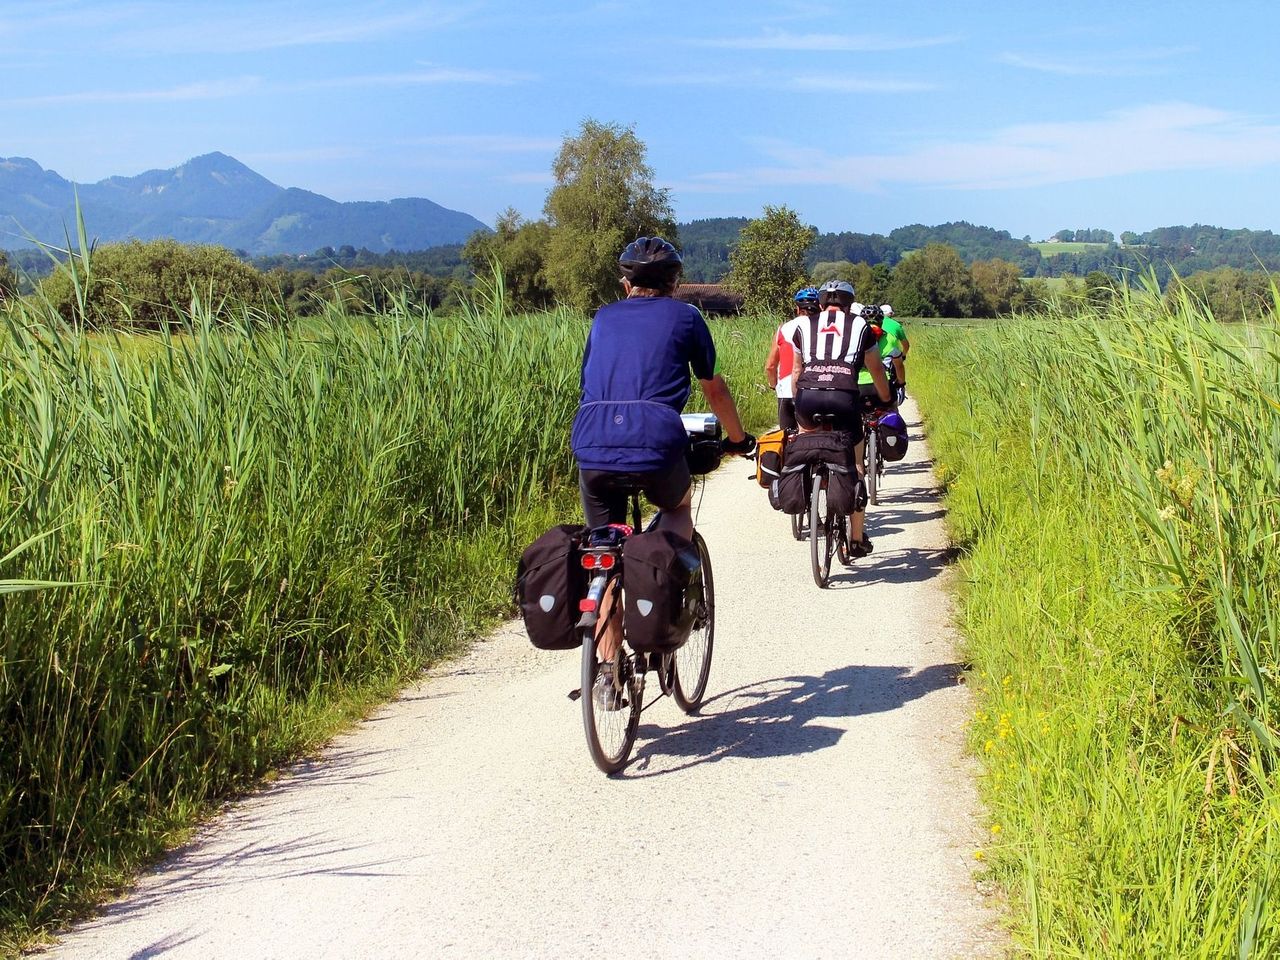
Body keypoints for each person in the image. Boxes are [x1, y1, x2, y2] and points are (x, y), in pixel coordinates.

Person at [571, 236, 755, 685]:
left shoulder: (602, 318)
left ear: (625, 282)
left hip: (592, 441)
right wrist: (738, 439)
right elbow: (714, 388)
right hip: (656, 440)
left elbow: (590, 382)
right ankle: (664, 604)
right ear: (675, 282)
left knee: (603, 545)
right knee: (676, 507)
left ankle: (609, 672)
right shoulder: (687, 317)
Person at [790, 279, 892, 558]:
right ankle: (856, 539)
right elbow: (876, 371)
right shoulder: (860, 325)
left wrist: (797, 405)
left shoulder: (803, 325)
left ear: (821, 303)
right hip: (844, 398)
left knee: (807, 444)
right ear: (849, 304)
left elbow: (796, 373)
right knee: (856, 463)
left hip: (808, 398)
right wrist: (886, 398)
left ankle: (812, 493)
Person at [764, 286, 820, 430]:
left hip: (787, 391)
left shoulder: (783, 329)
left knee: (785, 437)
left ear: (797, 308)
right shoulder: (823, 329)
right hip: (814, 391)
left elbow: (770, 365)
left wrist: (773, 385)